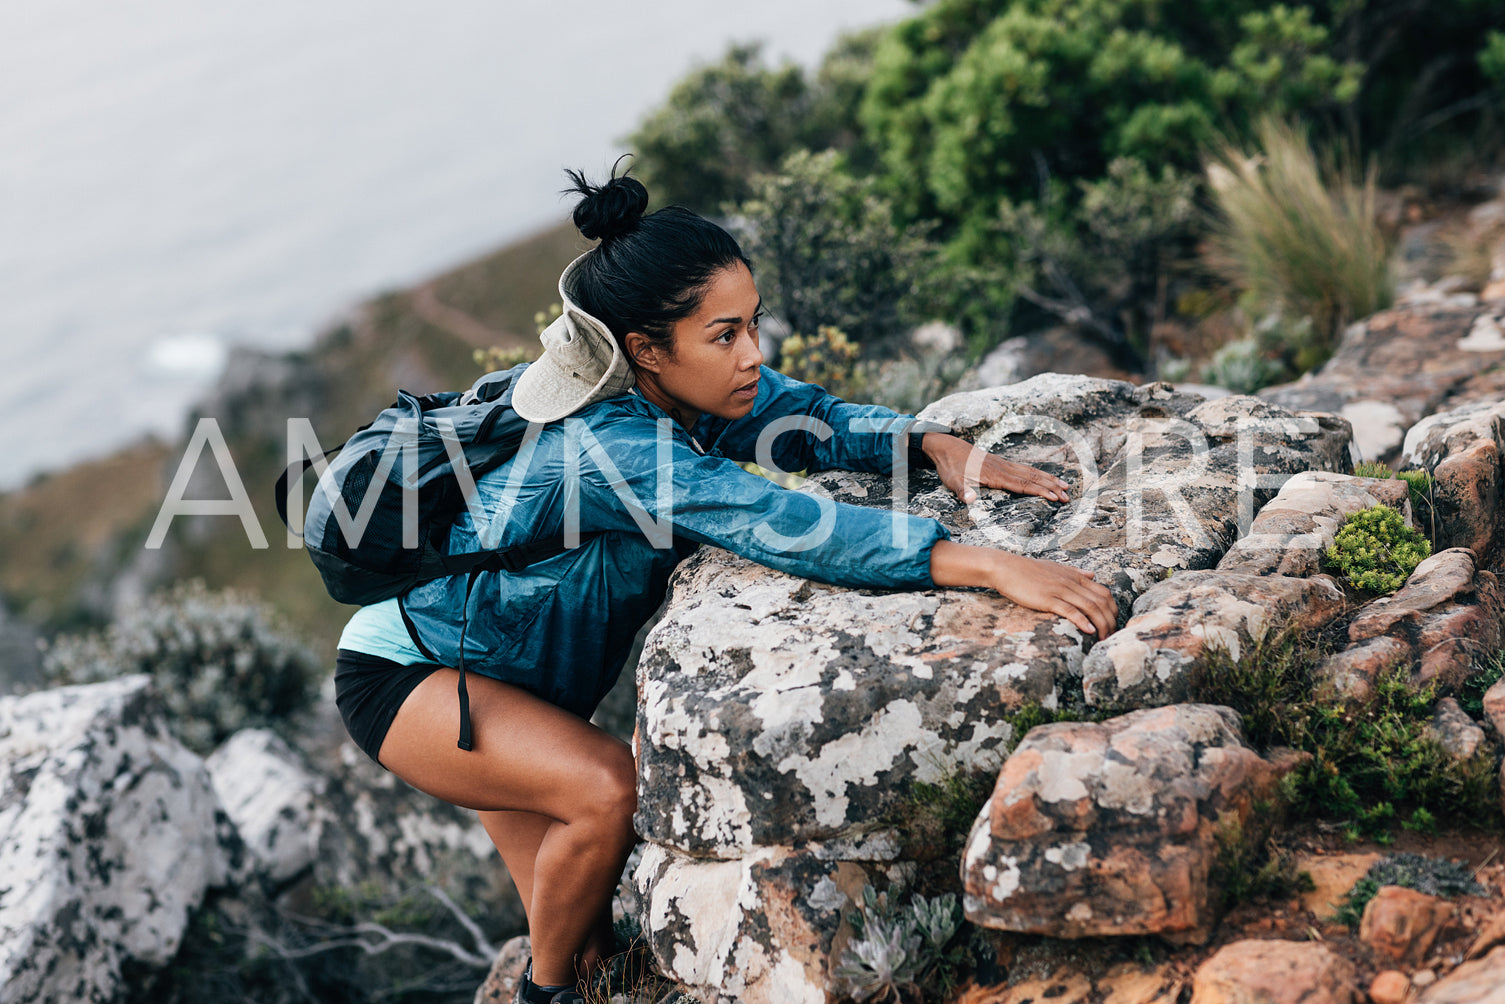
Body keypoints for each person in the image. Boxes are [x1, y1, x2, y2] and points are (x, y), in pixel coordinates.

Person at [332, 166, 1117, 1004]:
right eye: (724, 335)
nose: (751, 355)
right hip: (417, 677)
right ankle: (540, 995)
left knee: (603, 953)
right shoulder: (610, 446)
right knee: (604, 798)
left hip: (511, 677)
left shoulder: (685, 389)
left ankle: (567, 981)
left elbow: (808, 419)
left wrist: (928, 448)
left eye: (751, 326)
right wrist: (986, 563)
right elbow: (779, 524)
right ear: (643, 351)